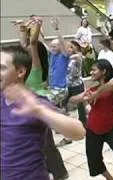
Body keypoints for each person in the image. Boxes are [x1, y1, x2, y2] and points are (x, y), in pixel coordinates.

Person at [1, 45, 86, 180]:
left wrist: (39, 111)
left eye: (2, 68)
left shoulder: (36, 103)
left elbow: (79, 132)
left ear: (20, 71)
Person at [17, 16, 69, 180]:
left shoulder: (36, 68)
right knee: (39, 145)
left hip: (42, 108)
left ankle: (60, 174)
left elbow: (32, 44)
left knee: (47, 144)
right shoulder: (23, 71)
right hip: (31, 110)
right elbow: (24, 45)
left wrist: (37, 25)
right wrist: (22, 29)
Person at [69, 60, 113, 180]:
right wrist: (83, 98)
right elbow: (72, 100)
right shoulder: (92, 89)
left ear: (104, 71)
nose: (91, 72)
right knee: (94, 160)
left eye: (94, 70)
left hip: (112, 129)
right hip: (92, 129)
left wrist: (96, 95)